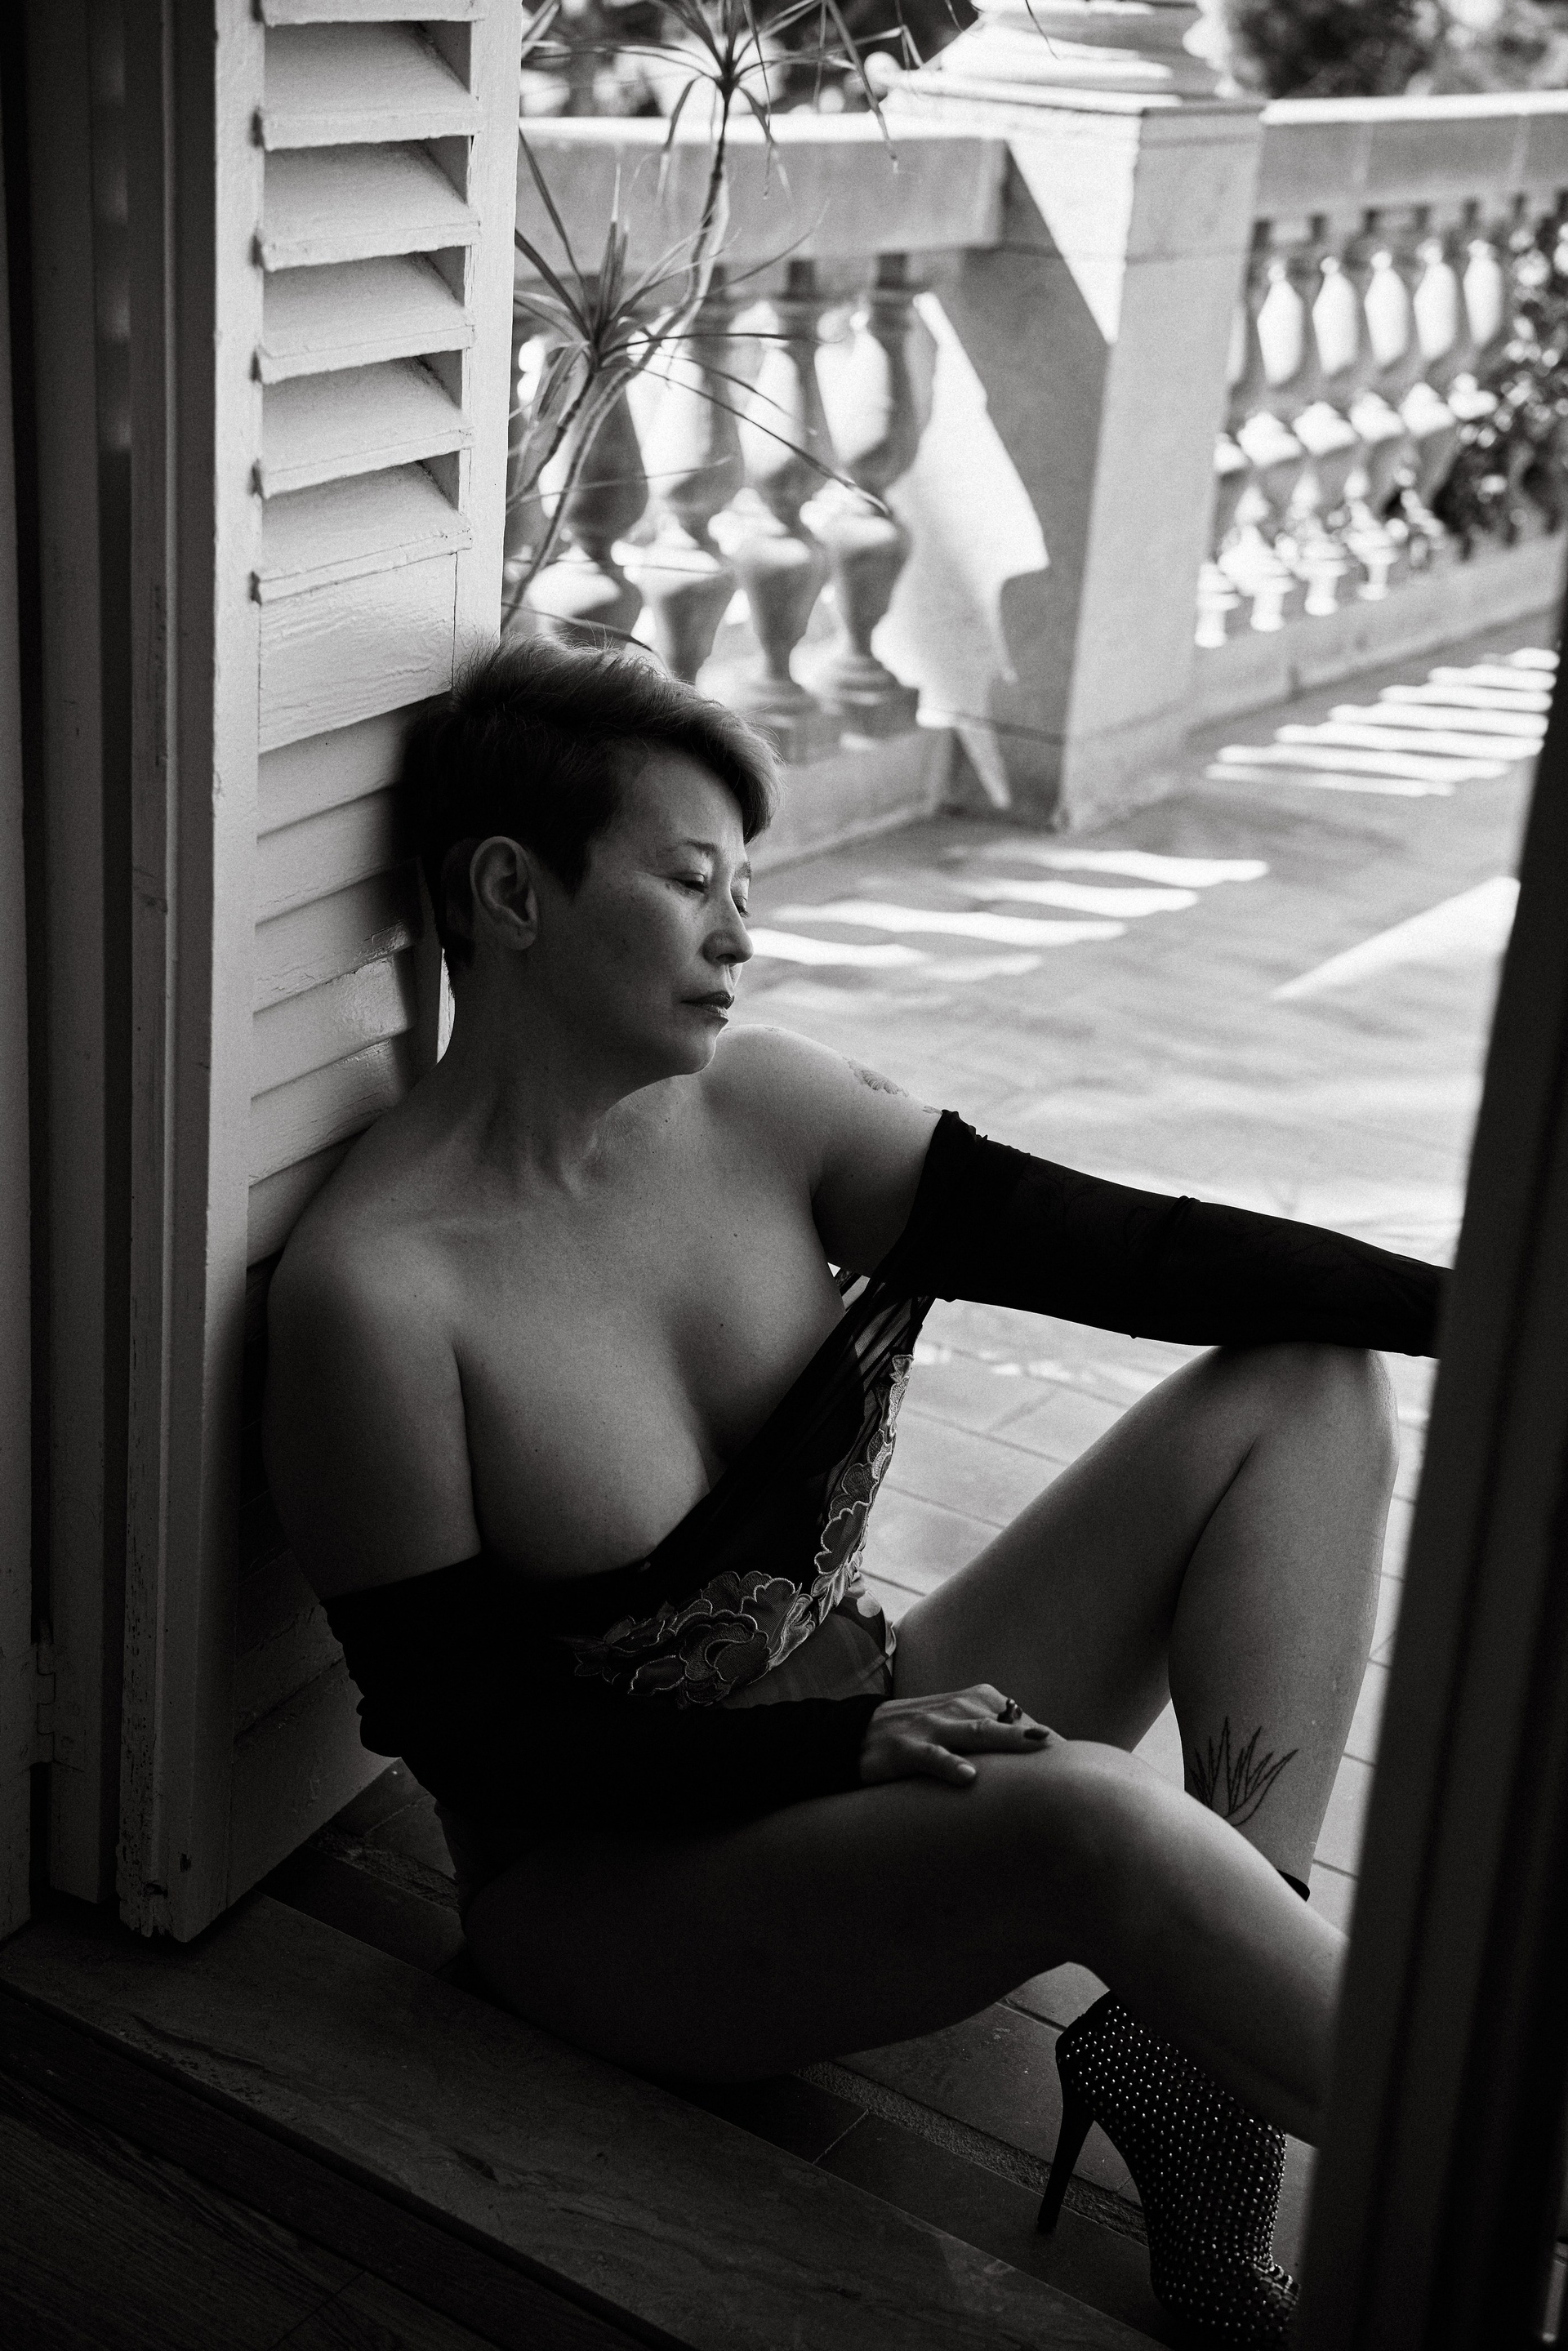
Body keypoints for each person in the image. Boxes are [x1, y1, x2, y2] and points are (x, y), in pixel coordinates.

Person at [263, 637, 1441, 2350]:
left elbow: (1125, 1248)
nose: (743, 936)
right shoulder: (377, 1298)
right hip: (615, 1901)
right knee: (1092, 1815)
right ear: (512, 894)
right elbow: (486, 1748)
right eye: (691, 884)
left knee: (1306, 1380)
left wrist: (1483, 1314)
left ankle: (1204, 2052)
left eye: (745, 887)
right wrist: (842, 1748)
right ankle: (1501, 2157)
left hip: (868, 1714)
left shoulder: (766, 1106)